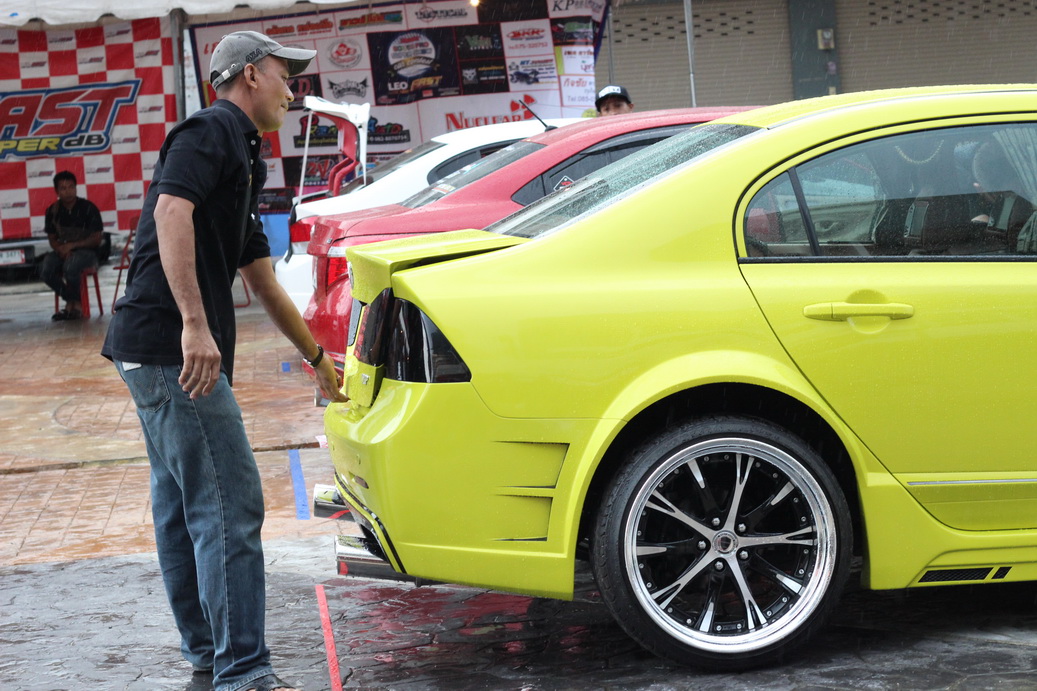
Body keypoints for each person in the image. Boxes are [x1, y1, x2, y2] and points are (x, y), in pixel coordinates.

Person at [101, 31, 346, 691]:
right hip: (170, 348)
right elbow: (170, 211)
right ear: (250, 75)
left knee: (184, 507)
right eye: (284, 75)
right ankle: (244, 671)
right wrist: (194, 324)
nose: (292, 89)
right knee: (230, 504)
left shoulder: (242, 155)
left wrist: (317, 357)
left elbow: (261, 279)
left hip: (148, 350)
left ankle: (211, 654)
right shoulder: (210, 130)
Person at [41, 171, 104, 320]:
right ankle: (73, 300)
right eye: (63, 188)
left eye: (71, 187)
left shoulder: (88, 207)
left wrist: (72, 246)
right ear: (57, 191)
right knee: (45, 269)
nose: (68, 191)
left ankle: (74, 305)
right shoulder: (53, 211)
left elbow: (97, 239)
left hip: (88, 253)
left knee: (71, 266)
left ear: (76, 188)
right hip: (63, 252)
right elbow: (52, 238)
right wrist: (61, 249)